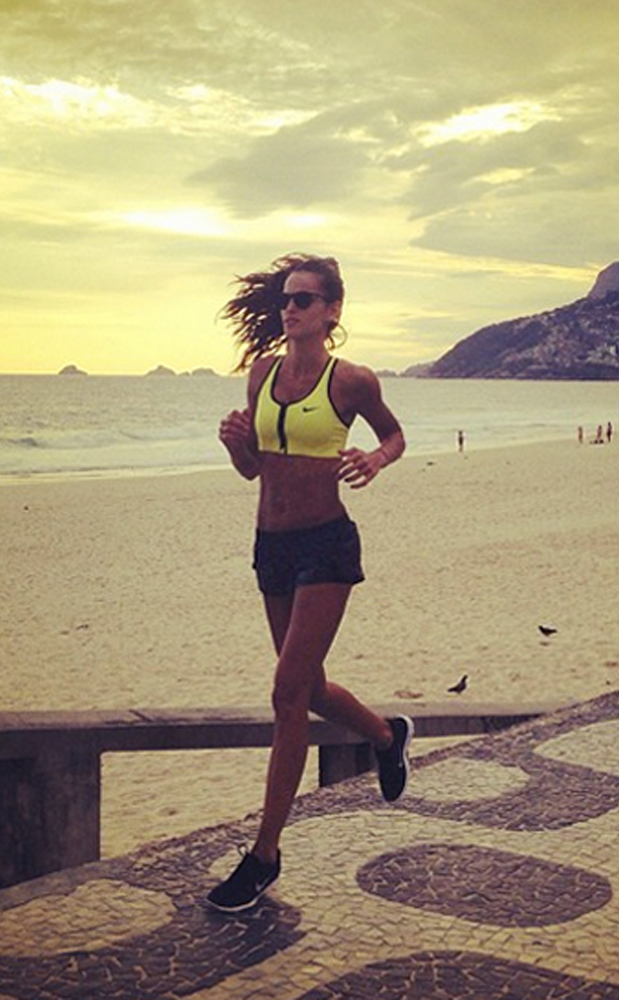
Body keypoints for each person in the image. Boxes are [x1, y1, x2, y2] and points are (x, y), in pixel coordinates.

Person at [209, 253, 413, 913]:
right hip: (271, 546)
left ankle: (264, 855)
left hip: (326, 544)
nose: (290, 309)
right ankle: (385, 736)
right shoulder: (262, 375)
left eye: (304, 300)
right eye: (286, 300)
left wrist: (374, 460)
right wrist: (235, 443)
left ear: (331, 312)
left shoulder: (350, 381)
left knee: (287, 692)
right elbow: (251, 473)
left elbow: (395, 435)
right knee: (310, 685)